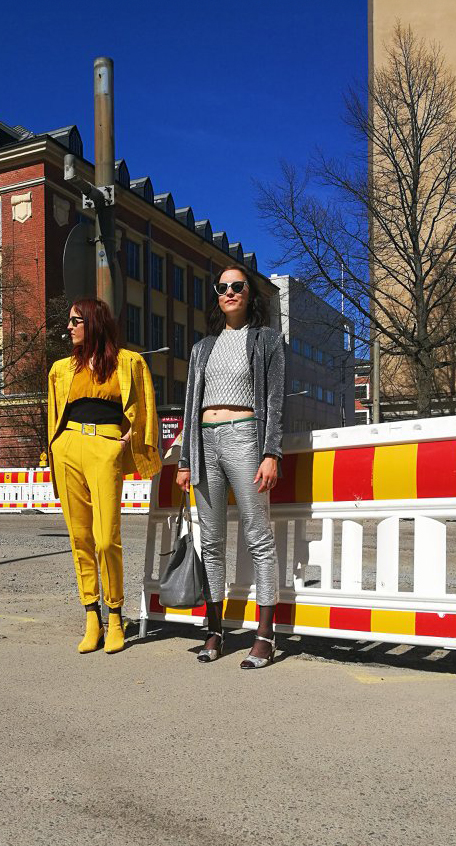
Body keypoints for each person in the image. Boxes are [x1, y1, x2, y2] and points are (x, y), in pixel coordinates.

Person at [176, 266, 285, 668]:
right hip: (205, 441)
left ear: (249, 295)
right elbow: (191, 404)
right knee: (212, 542)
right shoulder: (202, 347)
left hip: (245, 437)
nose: (229, 292)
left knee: (258, 536)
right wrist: (186, 459)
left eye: (237, 286)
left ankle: (264, 634)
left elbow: (275, 401)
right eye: (222, 287)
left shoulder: (267, 341)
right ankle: (214, 630)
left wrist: (270, 452)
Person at [48, 297, 161, 654]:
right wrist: (56, 448)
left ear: (94, 322)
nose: (68, 327)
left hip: (106, 447)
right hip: (68, 447)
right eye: (69, 321)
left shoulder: (129, 362)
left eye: (76, 321)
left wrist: (125, 440)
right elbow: (53, 415)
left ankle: (115, 616)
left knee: (105, 538)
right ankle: (91, 617)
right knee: (79, 537)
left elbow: (144, 409)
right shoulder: (61, 369)